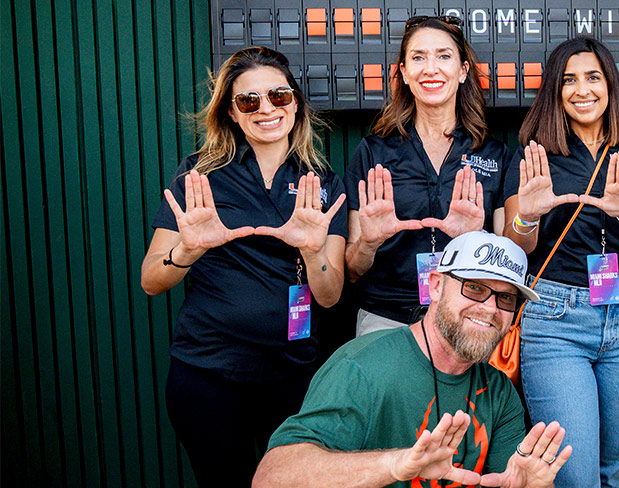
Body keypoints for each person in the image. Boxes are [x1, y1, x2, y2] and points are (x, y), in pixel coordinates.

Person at [139, 46, 347, 486]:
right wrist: (188, 251)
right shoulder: (199, 176)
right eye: (249, 101)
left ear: (296, 103)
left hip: (293, 377)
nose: (266, 109)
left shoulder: (323, 184)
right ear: (232, 113)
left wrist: (313, 252)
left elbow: (330, 297)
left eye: (279, 96)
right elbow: (151, 280)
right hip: (208, 375)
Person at [253, 232, 572, 488]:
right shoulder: (363, 367)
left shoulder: (499, 391)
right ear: (436, 286)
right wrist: (394, 464)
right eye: (474, 288)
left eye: (506, 298)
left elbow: (507, 478)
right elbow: (272, 477)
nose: (490, 308)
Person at [502, 36, 619, 487]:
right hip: (556, 320)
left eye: (593, 77)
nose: (582, 90)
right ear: (555, 92)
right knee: (575, 475)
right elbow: (516, 247)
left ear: (610, 85)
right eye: (568, 80)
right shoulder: (535, 155)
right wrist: (528, 215)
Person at [345, 15, 512, 337]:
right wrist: (368, 243)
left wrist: (476, 240)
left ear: (463, 71)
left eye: (444, 56)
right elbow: (352, 271)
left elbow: (508, 263)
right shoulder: (373, 152)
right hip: (387, 320)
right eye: (418, 58)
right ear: (404, 73)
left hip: (466, 317)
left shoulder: (494, 155)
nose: (430, 68)